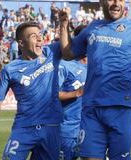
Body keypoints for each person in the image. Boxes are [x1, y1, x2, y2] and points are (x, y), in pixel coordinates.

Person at [59, 0, 131, 159]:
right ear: (101, 1)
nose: (117, 3)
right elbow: (68, 53)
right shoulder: (93, 27)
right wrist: (63, 24)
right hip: (92, 107)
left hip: (120, 107)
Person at [0, 22, 63, 160]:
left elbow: (71, 47)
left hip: (51, 127)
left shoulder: (51, 52)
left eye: (40, 35)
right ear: (21, 43)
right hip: (23, 128)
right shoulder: (10, 69)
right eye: (34, 36)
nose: (40, 39)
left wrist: (63, 24)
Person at [58, 25, 88, 160]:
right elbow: (51, 94)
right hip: (68, 130)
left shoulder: (98, 64)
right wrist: (76, 93)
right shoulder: (65, 65)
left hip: (92, 129)